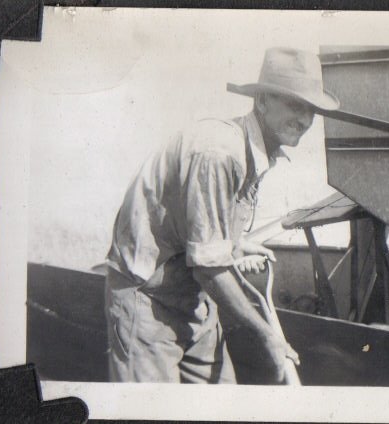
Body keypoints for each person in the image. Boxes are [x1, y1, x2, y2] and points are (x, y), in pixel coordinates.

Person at [104, 47, 340, 384]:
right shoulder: (219, 152)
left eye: (310, 111)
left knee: (222, 400)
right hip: (147, 301)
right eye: (294, 105)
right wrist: (268, 335)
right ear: (262, 102)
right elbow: (208, 267)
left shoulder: (252, 151)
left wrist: (237, 244)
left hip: (193, 302)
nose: (303, 120)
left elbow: (201, 229)